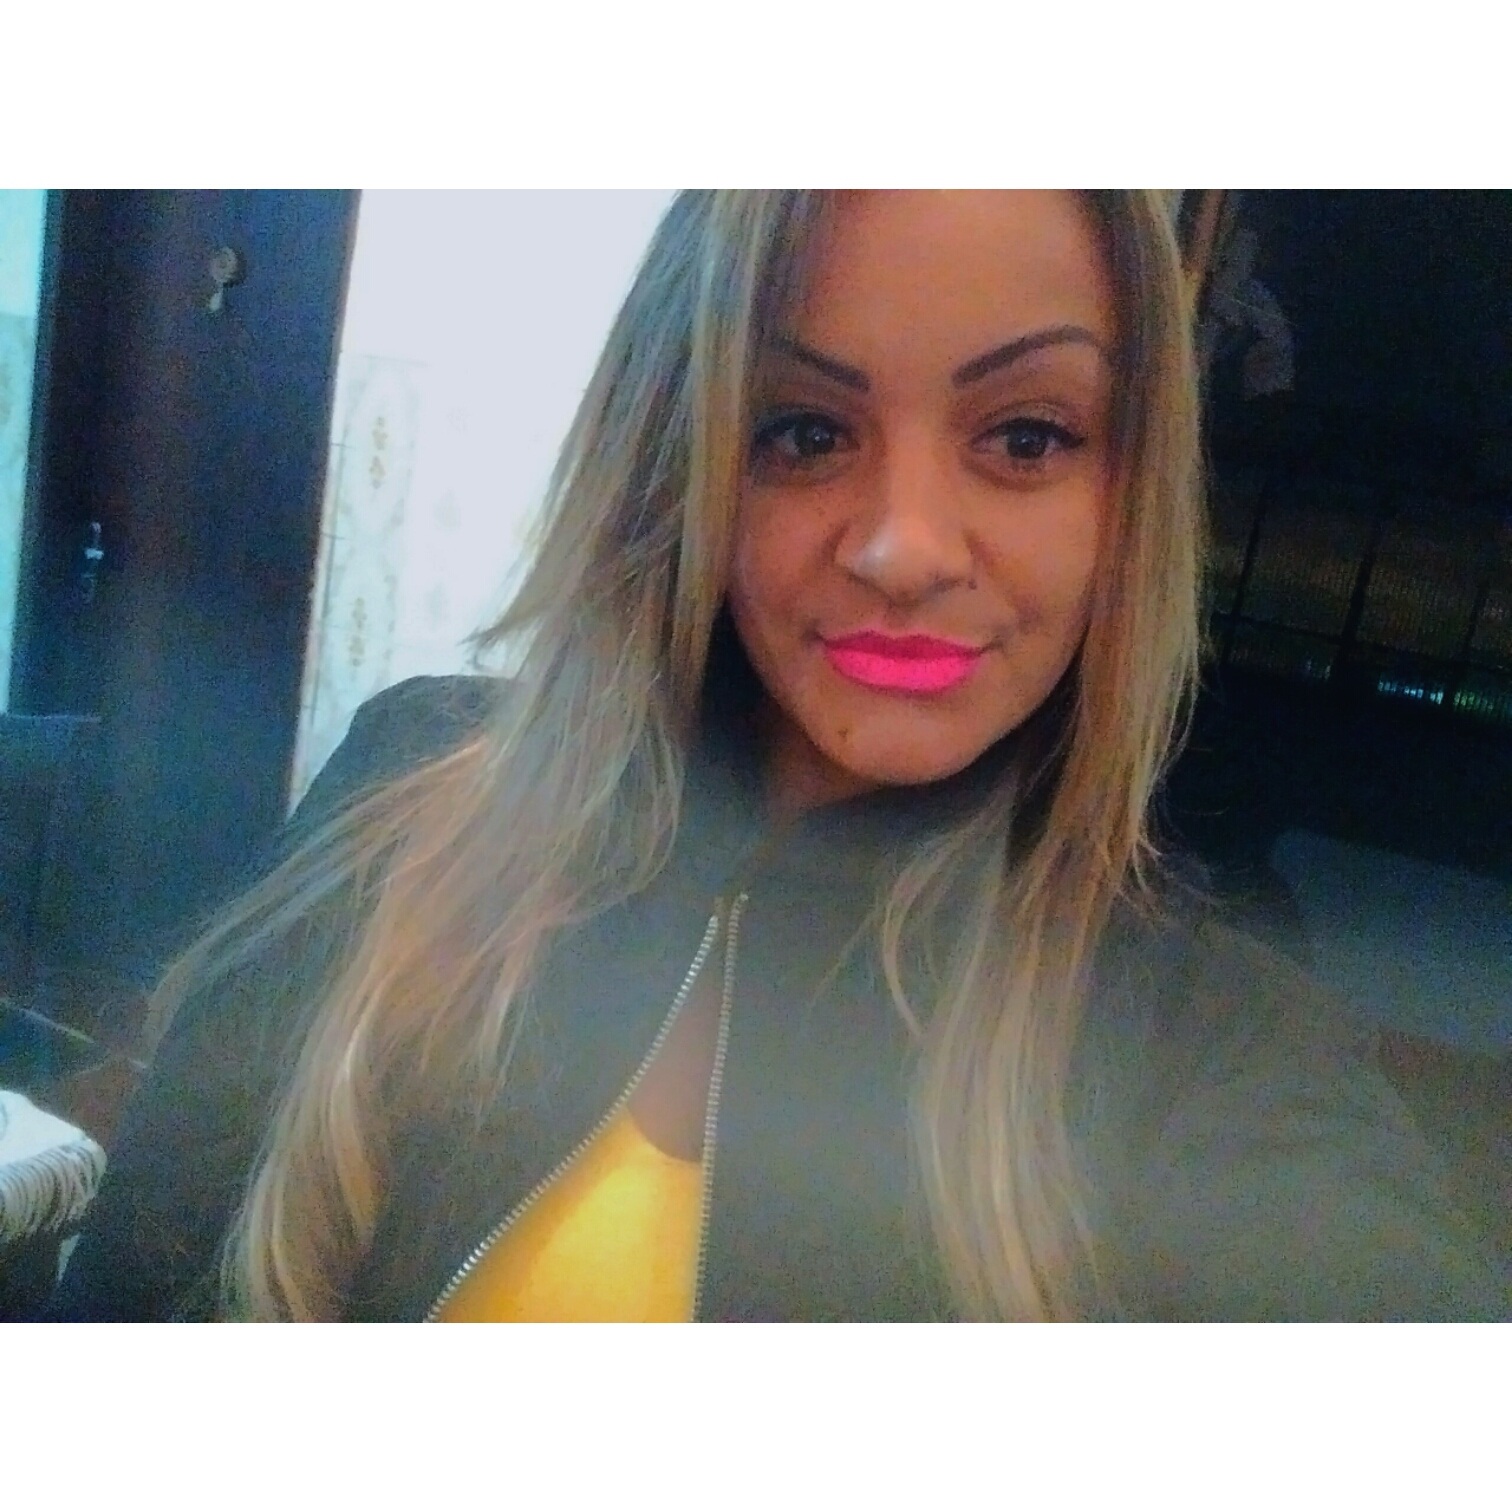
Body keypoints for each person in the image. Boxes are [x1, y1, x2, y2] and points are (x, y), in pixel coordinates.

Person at [49, 191, 1508, 1322]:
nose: (904, 550)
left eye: (1025, 437)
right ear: (673, 457)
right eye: (804, 430)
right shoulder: (411, 791)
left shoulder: (1213, 1050)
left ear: (1129, 490)